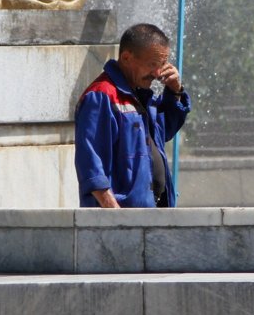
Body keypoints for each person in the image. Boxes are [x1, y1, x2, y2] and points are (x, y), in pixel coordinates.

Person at [75, 23, 190, 208]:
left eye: (162, 65)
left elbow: (163, 132)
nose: (157, 73)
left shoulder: (141, 96)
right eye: (152, 65)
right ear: (126, 57)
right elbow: (91, 164)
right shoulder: (101, 96)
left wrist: (175, 92)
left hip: (152, 215)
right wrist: (116, 216)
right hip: (123, 221)